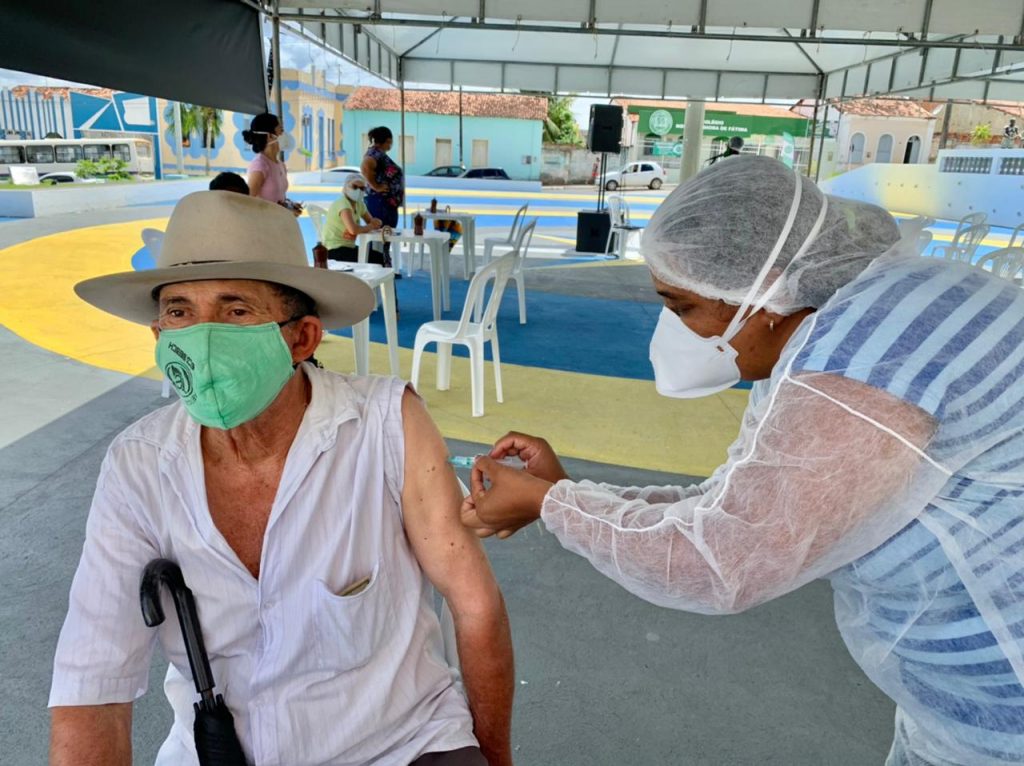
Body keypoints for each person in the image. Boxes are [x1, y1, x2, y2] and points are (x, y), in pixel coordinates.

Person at [462, 156, 1024, 765]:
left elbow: (724, 559)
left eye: (681, 306)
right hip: (967, 705)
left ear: (767, 287)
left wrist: (551, 503)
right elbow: (732, 501)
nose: (673, 329)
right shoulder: (861, 317)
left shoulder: (861, 365)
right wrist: (569, 494)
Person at [50, 191, 514, 766]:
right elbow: (92, 680)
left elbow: (475, 604)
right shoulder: (139, 464)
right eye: (179, 312)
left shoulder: (386, 425)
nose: (202, 337)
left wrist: (494, 759)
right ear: (159, 336)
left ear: (302, 339)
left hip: (400, 747)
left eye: (236, 311)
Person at [243, 112, 302, 216]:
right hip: (264, 224)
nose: (284, 134)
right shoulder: (260, 166)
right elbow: (246, 203)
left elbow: (277, 199)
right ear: (269, 136)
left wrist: (289, 206)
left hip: (278, 223)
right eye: (281, 130)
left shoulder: (280, 165)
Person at [361, 126, 404, 268]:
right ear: (387, 141)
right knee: (379, 236)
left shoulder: (378, 154)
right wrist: (376, 186)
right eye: (390, 141)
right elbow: (365, 167)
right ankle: (377, 265)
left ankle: (382, 264)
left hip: (385, 203)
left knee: (384, 237)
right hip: (380, 202)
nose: (391, 144)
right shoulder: (374, 154)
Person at [324, 175, 384, 264]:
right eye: (355, 187)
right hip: (334, 250)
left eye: (362, 188)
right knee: (379, 259)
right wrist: (371, 226)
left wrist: (376, 222)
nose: (358, 191)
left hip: (348, 247)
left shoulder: (359, 204)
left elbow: (370, 221)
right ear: (346, 187)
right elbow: (353, 230)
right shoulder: (343, 204)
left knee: (381, 257)